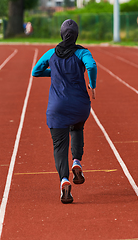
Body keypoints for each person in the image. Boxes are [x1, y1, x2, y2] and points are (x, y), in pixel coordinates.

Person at [32, 19, 97, 204]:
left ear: (61, 34)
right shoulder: (82, 52)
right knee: (77, 128)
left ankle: (64, 180)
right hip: (79, 106)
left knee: (59, 146)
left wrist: (55, 73)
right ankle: (77, 161)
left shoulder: (52, 53)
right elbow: (91, 66)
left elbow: (36, 72)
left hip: (57, 108)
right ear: (76, 35)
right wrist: (92, 85)